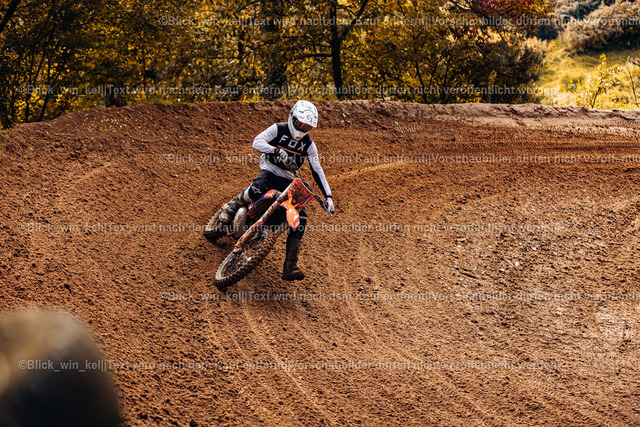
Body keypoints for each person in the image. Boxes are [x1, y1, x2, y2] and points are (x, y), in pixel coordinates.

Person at [219, 100, 334, 281]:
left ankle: (290, 265)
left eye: (306, 127)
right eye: (299, 124)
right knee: (257, 188)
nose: (301, 129)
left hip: (288, 180)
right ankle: (232, 207)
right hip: (270, 172)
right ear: (292, 118)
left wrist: (328, 197)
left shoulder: (309, 144)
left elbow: (317, 169)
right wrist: (275, 150)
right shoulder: (278, 129)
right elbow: (257, 142)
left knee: (301, 217)